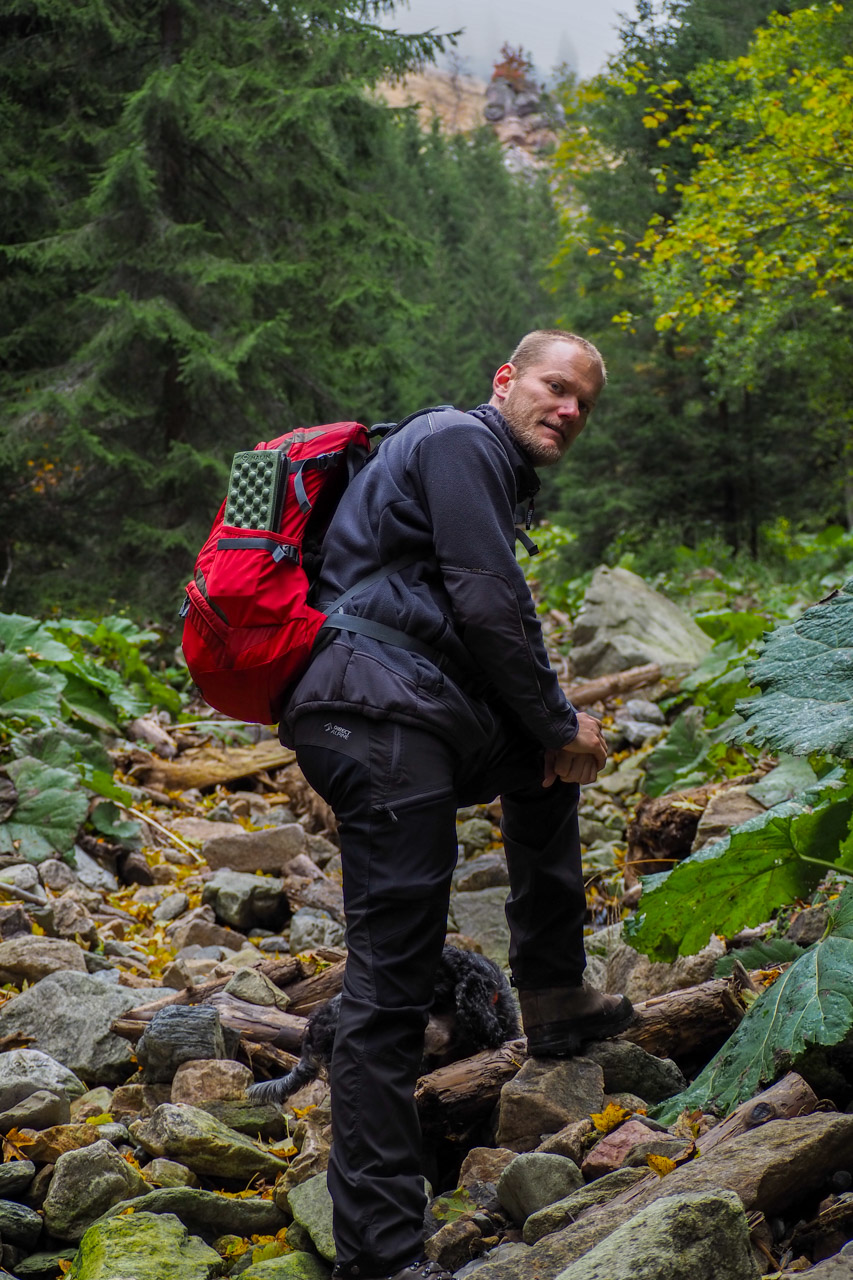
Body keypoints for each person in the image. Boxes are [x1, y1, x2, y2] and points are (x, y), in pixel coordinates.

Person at [279, 329, 634, 1280]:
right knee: (388, 990)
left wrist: (554, 736)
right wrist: (561, 718)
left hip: (407, 705)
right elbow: (486, 603)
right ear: (504, 380)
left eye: (583, 404)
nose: (567, 410)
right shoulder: (456, 441)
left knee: (545, 763)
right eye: (555, 388)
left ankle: (554, 997)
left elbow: (482, 616)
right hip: (373, 713)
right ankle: (383, 1251)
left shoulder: (474, 465)